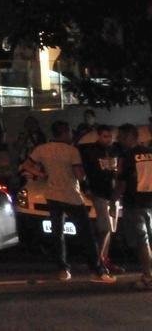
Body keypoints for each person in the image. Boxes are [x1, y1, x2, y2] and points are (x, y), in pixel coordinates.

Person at [21, 120, 114, 282]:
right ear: (64, 133)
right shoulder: (72, 151)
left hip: (51, 195)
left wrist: (42, 174)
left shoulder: (42, 149)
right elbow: (79, 175)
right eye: (69, 132)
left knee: (58, 233)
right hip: (71, 195)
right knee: (86, 234)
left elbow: (26, 165)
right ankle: (97, 270)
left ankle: (63, 269)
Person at [79, 123, 123, 274]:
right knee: (104, 227)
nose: (108, 139)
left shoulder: (116, 149)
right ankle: (97, 260)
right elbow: (84, 171)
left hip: (114, 193)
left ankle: (104, 258)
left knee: (110, 228)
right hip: (100, 192)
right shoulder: (91, 152)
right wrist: (86, 188)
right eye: (105, 136)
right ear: (99, 136)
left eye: (110, 136)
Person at [116, 123, 152, 290]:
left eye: (121, 136)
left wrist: (112, 201)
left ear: (130, 136)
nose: (118, 139)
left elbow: (121, 183)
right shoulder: (150, 153)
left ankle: (148, 276)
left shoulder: (127, 157)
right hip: (150, 202)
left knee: (141, 241)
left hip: (135, 203)